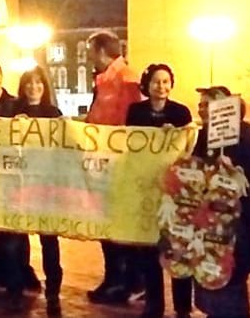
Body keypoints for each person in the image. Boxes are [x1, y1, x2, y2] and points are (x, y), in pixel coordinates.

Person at [191, 86, 250, 318]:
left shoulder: (245, 134)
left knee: (232, 271)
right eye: (200, 105)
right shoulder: (205, 134)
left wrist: (233, 171)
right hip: (211, 216)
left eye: (207, 105)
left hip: (236, 217)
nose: (202, 110)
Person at [126, 64, 193, 318]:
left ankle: (182, 306)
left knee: (177, 246)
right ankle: (154, 303)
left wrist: (174, 137)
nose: (161, 87)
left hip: (175, 189)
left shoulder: (180, 112)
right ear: (147, 84)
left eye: (166, 81)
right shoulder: (136, 111)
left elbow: (189, 144)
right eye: (156, 81)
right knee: (149, 248)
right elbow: (130, 143)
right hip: (147, 187)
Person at [84, 30, 143, 305]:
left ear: (100, 51)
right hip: (103, 161)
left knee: (119, 226)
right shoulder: (105, 80)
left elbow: (130, 122)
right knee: (106, 226)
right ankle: (114, 278)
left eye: (90, 51)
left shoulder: (126, 80)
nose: (88, 57)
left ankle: (127, 281)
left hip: (117, 164)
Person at [2, 66, 64, 316]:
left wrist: (67, 129)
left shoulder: (53, 113)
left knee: (49, 242)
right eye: (29, 82)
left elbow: (64, 148)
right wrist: (12, 127)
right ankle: (15, 290)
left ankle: (53, 293)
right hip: (19, 185)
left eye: (38, 82)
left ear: (44, 86)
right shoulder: (12, 111)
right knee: (14, 243)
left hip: (46, 186)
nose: (34, 87)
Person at [0, 59, 42, 292]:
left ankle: (19, 272)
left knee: (17, 229)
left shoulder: (13, 104)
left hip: (17, 172)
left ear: (1, 76)